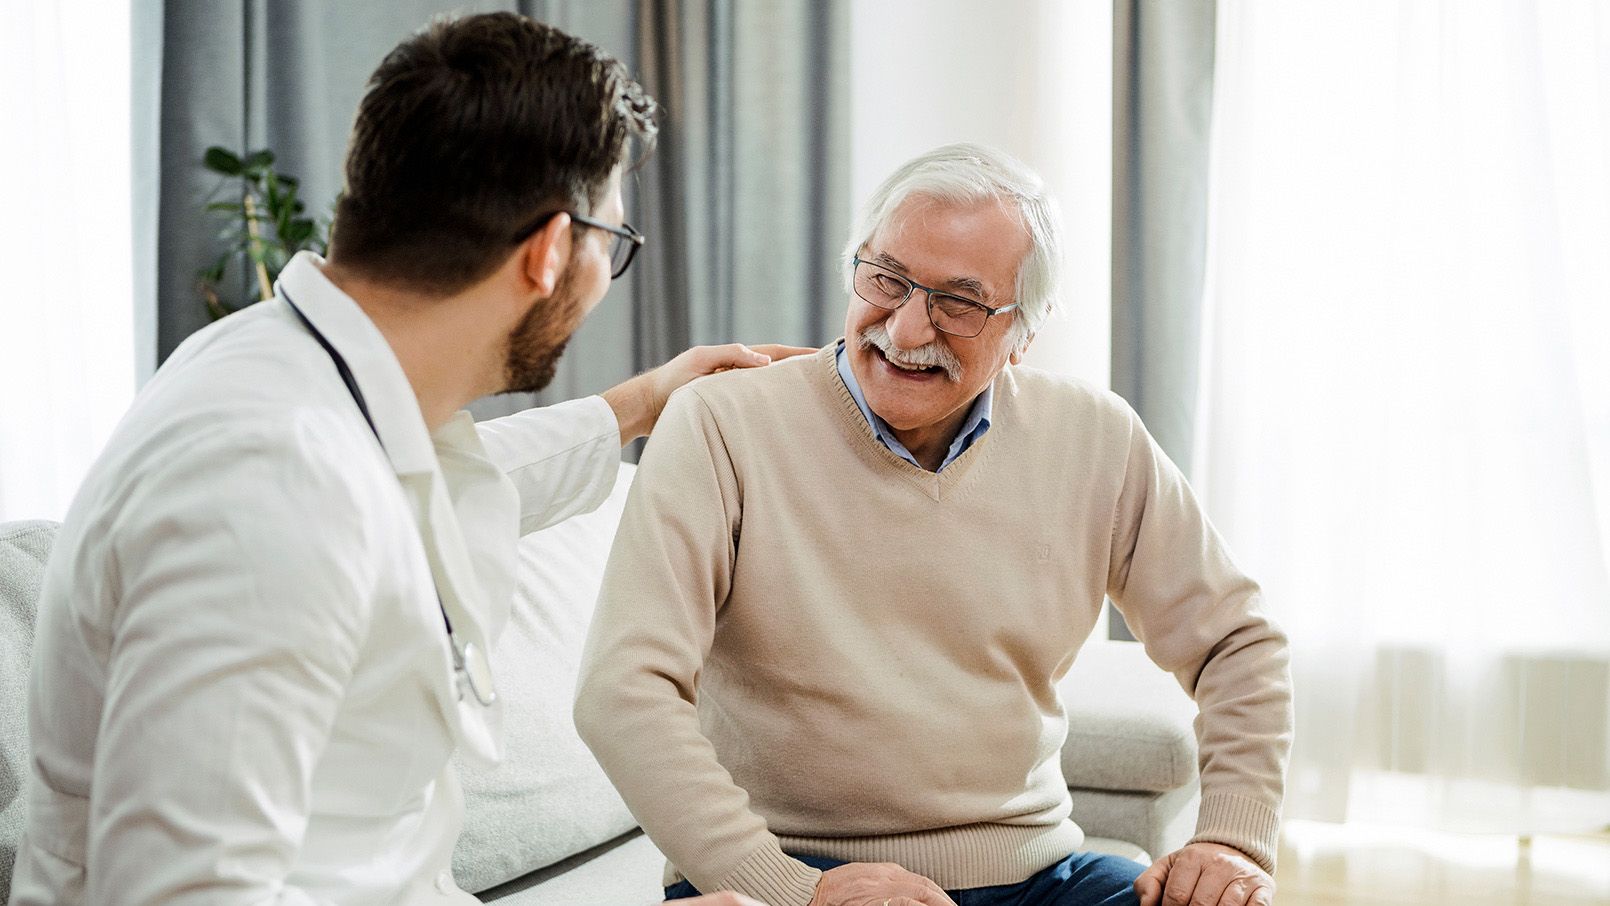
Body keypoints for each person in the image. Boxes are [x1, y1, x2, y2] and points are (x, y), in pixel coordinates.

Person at [10, 13, 794, 906]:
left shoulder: (293, 376)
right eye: (609, 245)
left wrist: (641, 405)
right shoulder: (266, 486)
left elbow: (433, 483)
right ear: (547, 252)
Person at [574, 143, 1293, 906]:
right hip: (787, 877)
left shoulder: (1095, 436)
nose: (909, 327)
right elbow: (624, 690)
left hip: (1039, 877)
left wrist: (1232, 838)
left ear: (1025, 332)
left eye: (959, 302)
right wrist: (788, 889)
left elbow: (1236, 641)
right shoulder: (721, 423)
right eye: (886, 279)